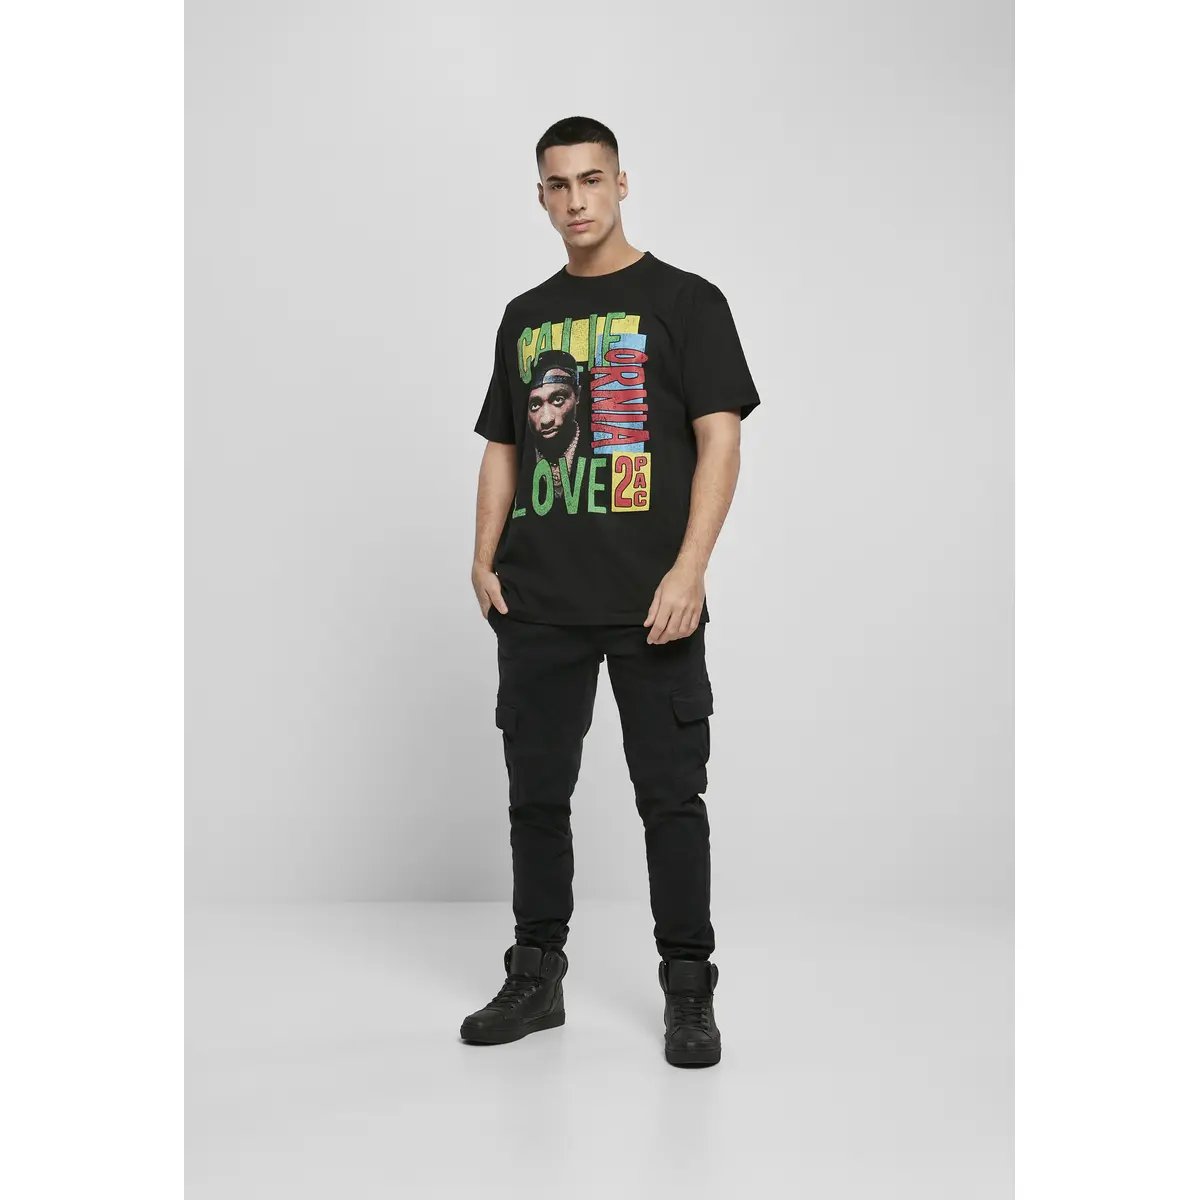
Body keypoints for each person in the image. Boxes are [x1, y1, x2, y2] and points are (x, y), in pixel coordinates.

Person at [461, 116, 760, 1068]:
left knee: (672, 800)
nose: (576, 200)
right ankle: (536, 974)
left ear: (622, 184)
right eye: (558, 185)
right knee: (535, 800)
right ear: (540, 197)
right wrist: (482, 557)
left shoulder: (687, 302)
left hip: (652, 603)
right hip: (537, 601)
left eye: (592, 179)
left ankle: (689, 990)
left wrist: (690, 568)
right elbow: (503, 444)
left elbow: (720, 439)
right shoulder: (524, 316)